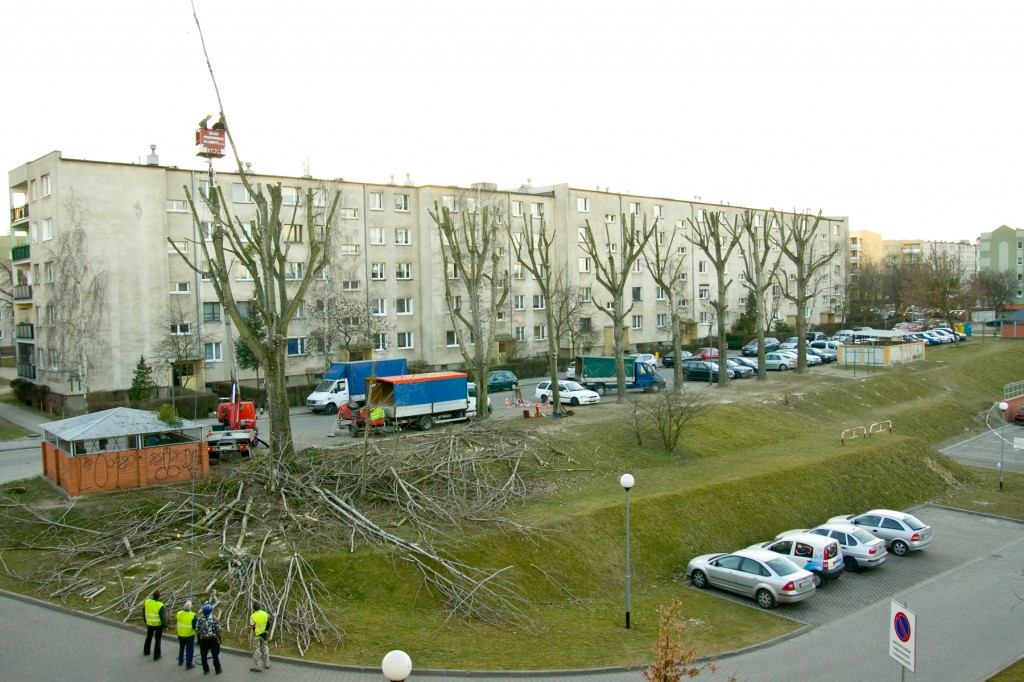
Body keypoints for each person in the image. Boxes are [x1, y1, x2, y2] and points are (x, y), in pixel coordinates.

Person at [195, 602, 223, 675]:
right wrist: (220, 638)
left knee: (203, 656)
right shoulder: (214, 619)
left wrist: (198, 639)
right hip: (212, 639)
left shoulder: (200, 619)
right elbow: (218, 630)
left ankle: (206, 669)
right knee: (215, 655)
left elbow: (197, 630)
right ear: (211, 610)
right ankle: (218, 669)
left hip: (203, 640)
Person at [142, 589, 166, 660]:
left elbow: (144, 611)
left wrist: (145, 620)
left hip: (149, 623)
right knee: (158, 639)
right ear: (159, 597)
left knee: (148, 637)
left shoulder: (147, 602)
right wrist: (165, 624)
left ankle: (146, 651)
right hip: (158, 624)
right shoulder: (160, 605)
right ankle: (156, 655)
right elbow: (162, 616)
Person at [249, 600, 272, 672]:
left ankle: (258, 666)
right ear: (260, 607)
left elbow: (253, 627)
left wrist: (260, 633)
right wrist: (266, 632)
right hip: (264, 635)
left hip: (257, 635)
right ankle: (267, 663)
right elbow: (268, 623)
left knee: (256, 650)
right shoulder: (265, 614)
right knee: (265, 648)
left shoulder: (252, 616)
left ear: (253, 608)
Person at [176, 600, 197, 669]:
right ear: (190, 608)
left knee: (181, 648)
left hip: (181, 634)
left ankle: (180, 661)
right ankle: (188, 664)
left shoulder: (179, 613)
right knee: (189, 650)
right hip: (189, 635)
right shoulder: (193, 615)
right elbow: (194, 626)